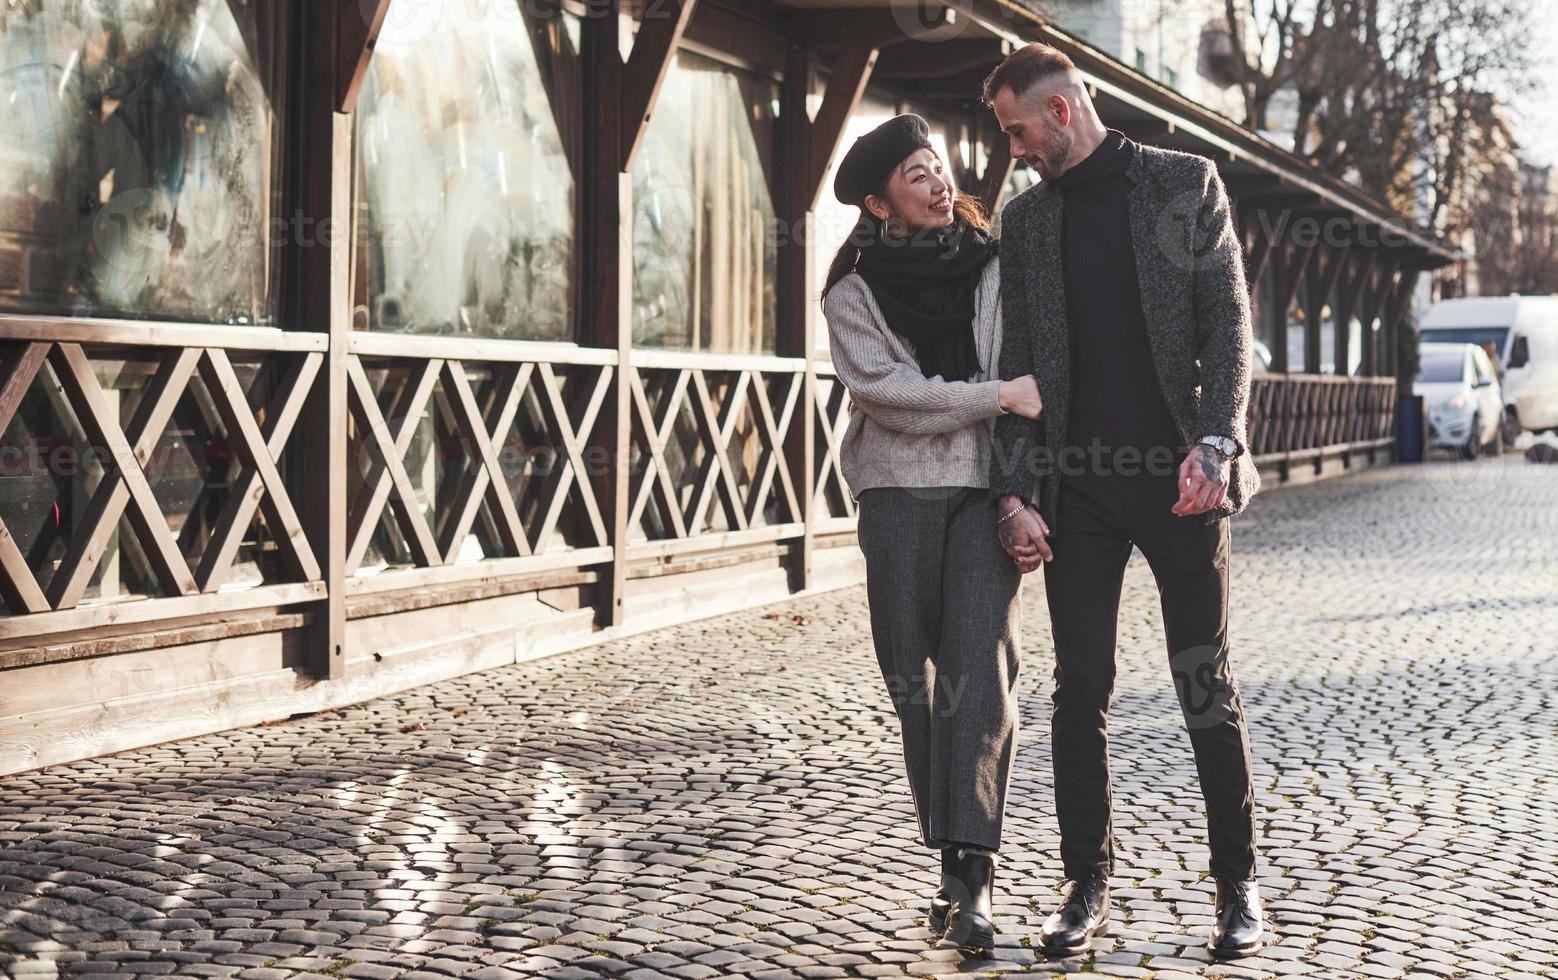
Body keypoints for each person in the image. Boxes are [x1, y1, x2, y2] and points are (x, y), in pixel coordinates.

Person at [981, 43, 1267, 959]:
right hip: (1080, 493)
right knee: (1080, 692)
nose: (1011, 149)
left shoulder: (1186, 183)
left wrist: (1218, 442)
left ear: (1061, 112)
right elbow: (1016, 365)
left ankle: (1238, 887)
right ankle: (1084, 882)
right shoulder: (1023, 225)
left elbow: (1229, 319)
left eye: (1017, 130)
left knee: (1202, 684)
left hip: (1184, 483)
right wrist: (1016, 492)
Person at [820, 113, 1046, 955]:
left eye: (939, 168)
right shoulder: (851, 294)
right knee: (916, 677)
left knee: (980, 671)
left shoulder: (993, 266)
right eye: (917, 175)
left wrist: (1019, 486)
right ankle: (949, 859)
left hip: (985, 496)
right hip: (898, 499)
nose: (939, 183)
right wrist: (995, 397)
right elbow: (894, 398)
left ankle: (975, 878)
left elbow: (1029, 375)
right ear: (880, 203)